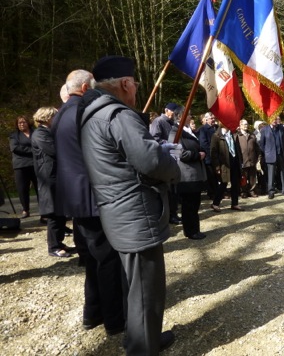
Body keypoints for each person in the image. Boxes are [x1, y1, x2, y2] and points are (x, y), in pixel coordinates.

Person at [78, 55, 181, 355]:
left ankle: (141, 337)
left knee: (133, 285)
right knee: (147, 288)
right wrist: (172, 164)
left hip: (118, 211)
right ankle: (142, 348)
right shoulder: (117, 115)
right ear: (124, 83)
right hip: (135, 213)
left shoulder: (92, 115)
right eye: (134, 82)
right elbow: (149, 160)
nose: (136, 87)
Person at [53, 69, 124, 334]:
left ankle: (92, 313)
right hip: (93, 197)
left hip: (75, 198)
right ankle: (115, 320)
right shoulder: (81, 112)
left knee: (93, 260)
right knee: (107, 260)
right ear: (84, 88)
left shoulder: (61, 113)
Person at [31, 107, 71, 257]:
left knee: (60, 212)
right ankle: (53, 246)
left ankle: (59, 242)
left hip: (56, 176)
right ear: (47, 118)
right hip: (49, 177)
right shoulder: (40, 134)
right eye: (55, 116)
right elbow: (54, 150)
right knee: (53, 213)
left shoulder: (48, 132)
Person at [168, 107, 207, 239]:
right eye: (189, 115)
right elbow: (178, 152)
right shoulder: (175, 131)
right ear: (180, 117)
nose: (191, 117)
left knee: (195, 203)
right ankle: (190, 231)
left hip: (194, 173)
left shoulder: (188, 131)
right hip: (186, 175)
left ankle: (194, 229)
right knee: (189, 205)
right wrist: (197, 155)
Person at [9, 115, 38, 218]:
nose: (22, 124)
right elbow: (15, 148)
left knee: (40, 188)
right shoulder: (14, 135)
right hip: (21, 166)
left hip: (36, 164)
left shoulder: (36, 133)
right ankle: (25, 209)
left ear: (28, 123)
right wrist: (34, 151)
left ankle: (45, 211)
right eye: (19, 123)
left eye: (23, 122)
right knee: (22, 189)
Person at [210, 122, 243, 211]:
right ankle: (215, 203)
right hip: (224, 164)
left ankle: (235, 203)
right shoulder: (216, 136)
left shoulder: (233, 134)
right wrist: (217, 167)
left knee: (235, 183)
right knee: (223, 183)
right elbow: (214, 153)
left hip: (234, 161)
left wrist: (240, 162)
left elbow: (238, 149)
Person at [259, 117, 284, 199]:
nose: (274, 121)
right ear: (269, 120)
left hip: (281, 154)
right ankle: (271, 191)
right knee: (271, 174)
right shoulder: (265, 129)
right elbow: (261, 143)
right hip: (270, 155)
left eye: (275, 119)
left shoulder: (282, 129)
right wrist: (266, 152)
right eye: (273, 119)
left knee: (283, 172)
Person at [236, 119, 259, 198]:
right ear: (240, 125)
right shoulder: (237, 136)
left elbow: (256, 148)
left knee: (252, 177)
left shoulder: (252, 135)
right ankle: (243, 191)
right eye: (244, 124)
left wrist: (258, 159)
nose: (246, 126)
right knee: (243, 177)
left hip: (252, 159)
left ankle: (252, 190)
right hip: (243, 160)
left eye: (247, 124)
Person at [199, 112, 219, 200]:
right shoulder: (203, 129)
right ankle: (212, 193)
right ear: (206, 120)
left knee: (217, 176)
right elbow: (204, 144)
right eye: (211, 118)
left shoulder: (217, 128)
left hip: (218, 156)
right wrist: (211, 154)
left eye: (214, 118)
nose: (213, 120)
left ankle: (219, 192)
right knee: (211, 177)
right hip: (209, 157)